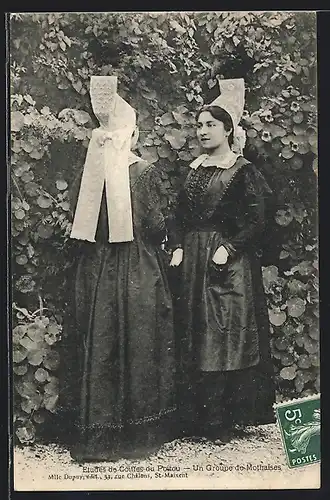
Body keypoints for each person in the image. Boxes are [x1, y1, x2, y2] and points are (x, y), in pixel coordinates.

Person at [60, 77, 176, 461]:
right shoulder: (143, 172)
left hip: (96, 269)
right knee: (138, 340)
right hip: (136, 268)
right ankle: (136, 436)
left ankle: (99, 437)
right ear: (135, 133)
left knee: (102, 340)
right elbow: (155, 226)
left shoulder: (91, 171)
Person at [169, 78, 275, 443]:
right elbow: (179, 214)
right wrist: (179, 245)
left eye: (210, 125)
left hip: (227, 264)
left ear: (228, 129)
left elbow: (258, 219)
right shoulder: (195, 168)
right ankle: (196, 419)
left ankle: (223, 420)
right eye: (199, 126)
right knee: (195, 332)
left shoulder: (242, 170)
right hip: (193, 259)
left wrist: (229, 248)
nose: (202, 131)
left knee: (223, 336)